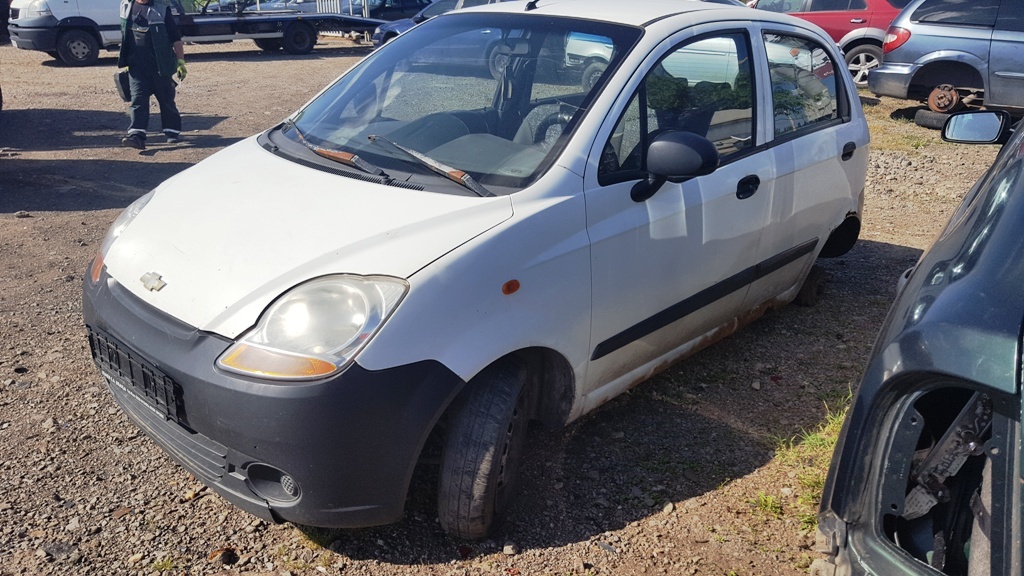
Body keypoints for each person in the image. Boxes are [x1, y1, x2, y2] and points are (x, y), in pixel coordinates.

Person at [118, 0, 187, 149]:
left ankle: (172, 132)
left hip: (160, 67)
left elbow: (175, 38)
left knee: (166, 100)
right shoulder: (126, 7)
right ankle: (136, 136)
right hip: (137, 68)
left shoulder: (162, 10)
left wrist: (180, 62)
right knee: (137, 100)